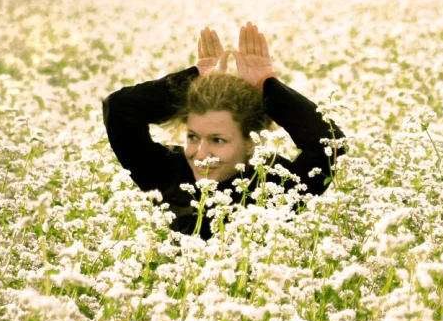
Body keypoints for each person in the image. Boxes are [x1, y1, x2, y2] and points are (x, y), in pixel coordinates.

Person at [102, 22, 345, 240]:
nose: (201, 154)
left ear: (251, 143)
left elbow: (330, 142)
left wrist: (267, 86)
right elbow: (120, 107)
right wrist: (193, 79)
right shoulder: (166, 173)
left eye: (218, 140)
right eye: (193, 137)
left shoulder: (279, 186)